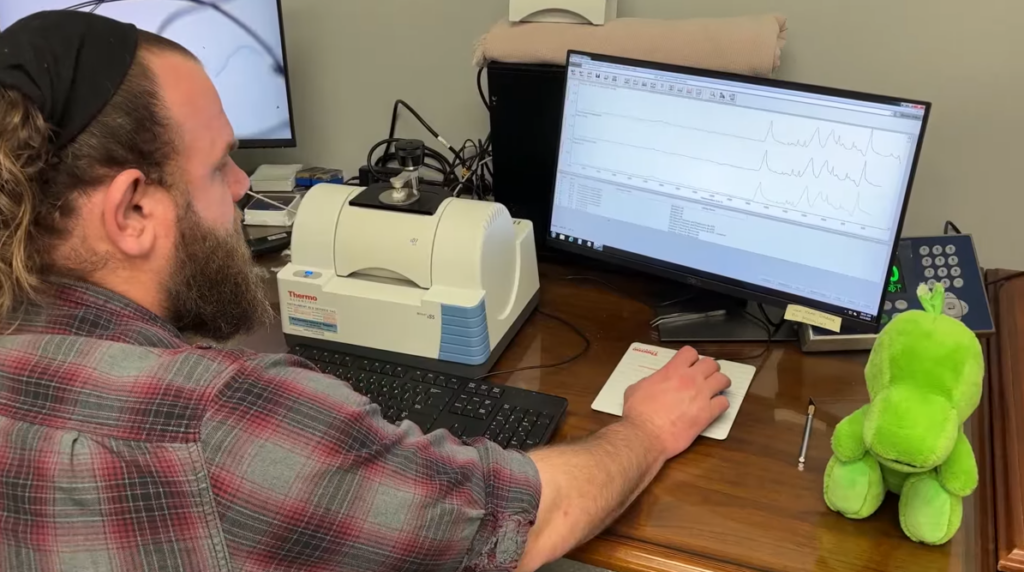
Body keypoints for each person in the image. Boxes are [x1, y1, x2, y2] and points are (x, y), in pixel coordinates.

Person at [0, 11, 731, 572]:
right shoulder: (219, 419)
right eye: (219, 165)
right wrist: (645, 430)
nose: (244, 186)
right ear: (131, 210)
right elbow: (527, 520)